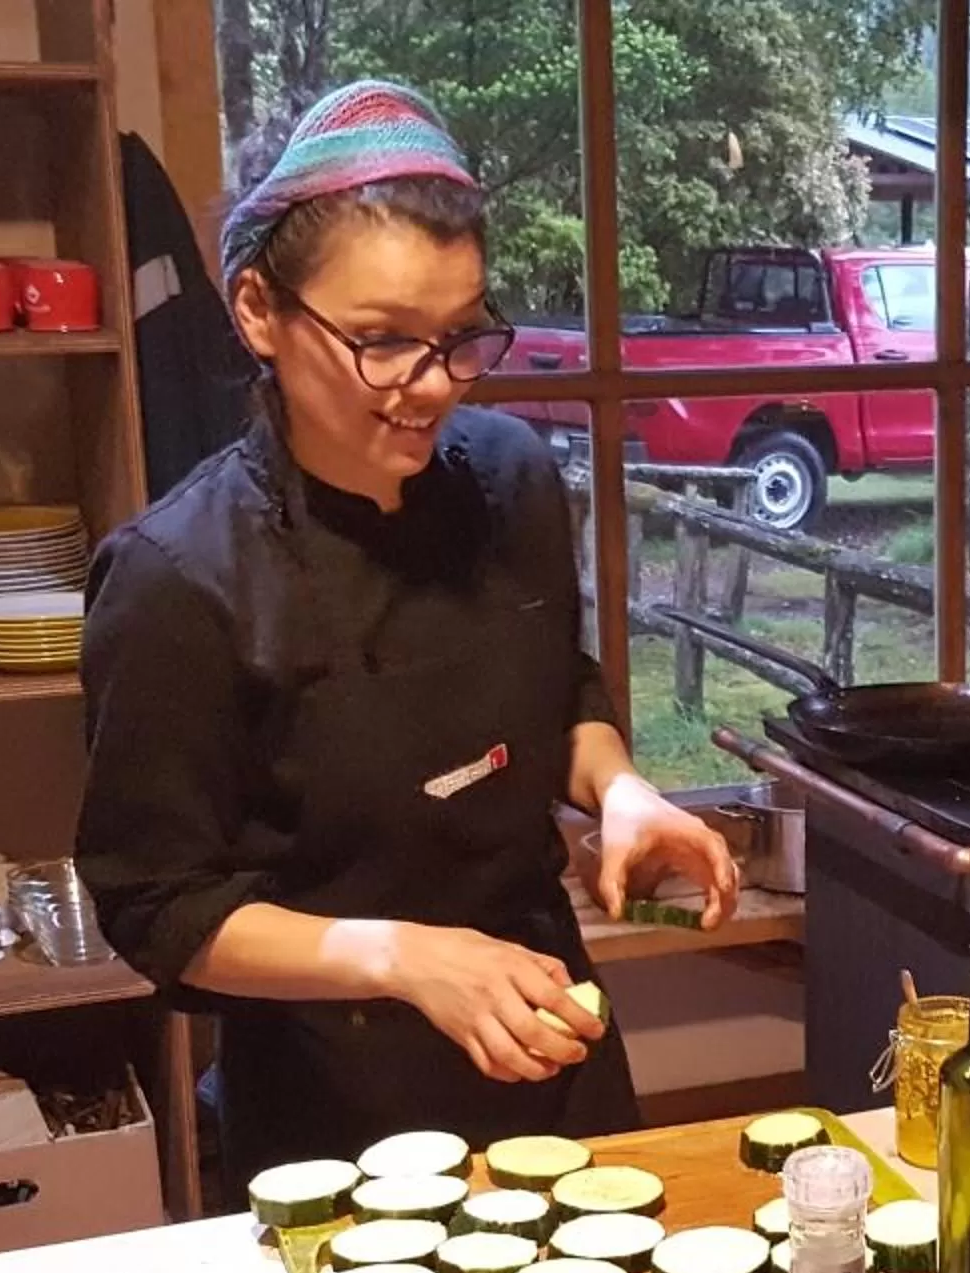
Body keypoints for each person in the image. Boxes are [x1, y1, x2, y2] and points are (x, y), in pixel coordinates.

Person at [77, 80, 738, 1182]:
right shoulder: (178, 578)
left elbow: (553, 688)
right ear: (257, 312)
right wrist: (400, 956)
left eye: (461, 336)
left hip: (554, 1054)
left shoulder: (515, 481)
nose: (430, 387)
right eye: (382, 341)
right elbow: (161, 906)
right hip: (331, 1112)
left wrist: (623, 792)